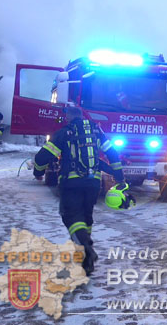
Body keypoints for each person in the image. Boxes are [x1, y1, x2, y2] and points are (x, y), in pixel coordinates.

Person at [33, 106, 127, 275]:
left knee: (70, 217)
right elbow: (112, 153)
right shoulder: (96, 132)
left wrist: (38, 172)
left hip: (71, 184)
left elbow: (42, 157)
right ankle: (85, 262)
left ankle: (85, 249)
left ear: (69, 118)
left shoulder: (64, 133)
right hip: (93, 184)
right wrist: (119, 175)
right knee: (86, 217)